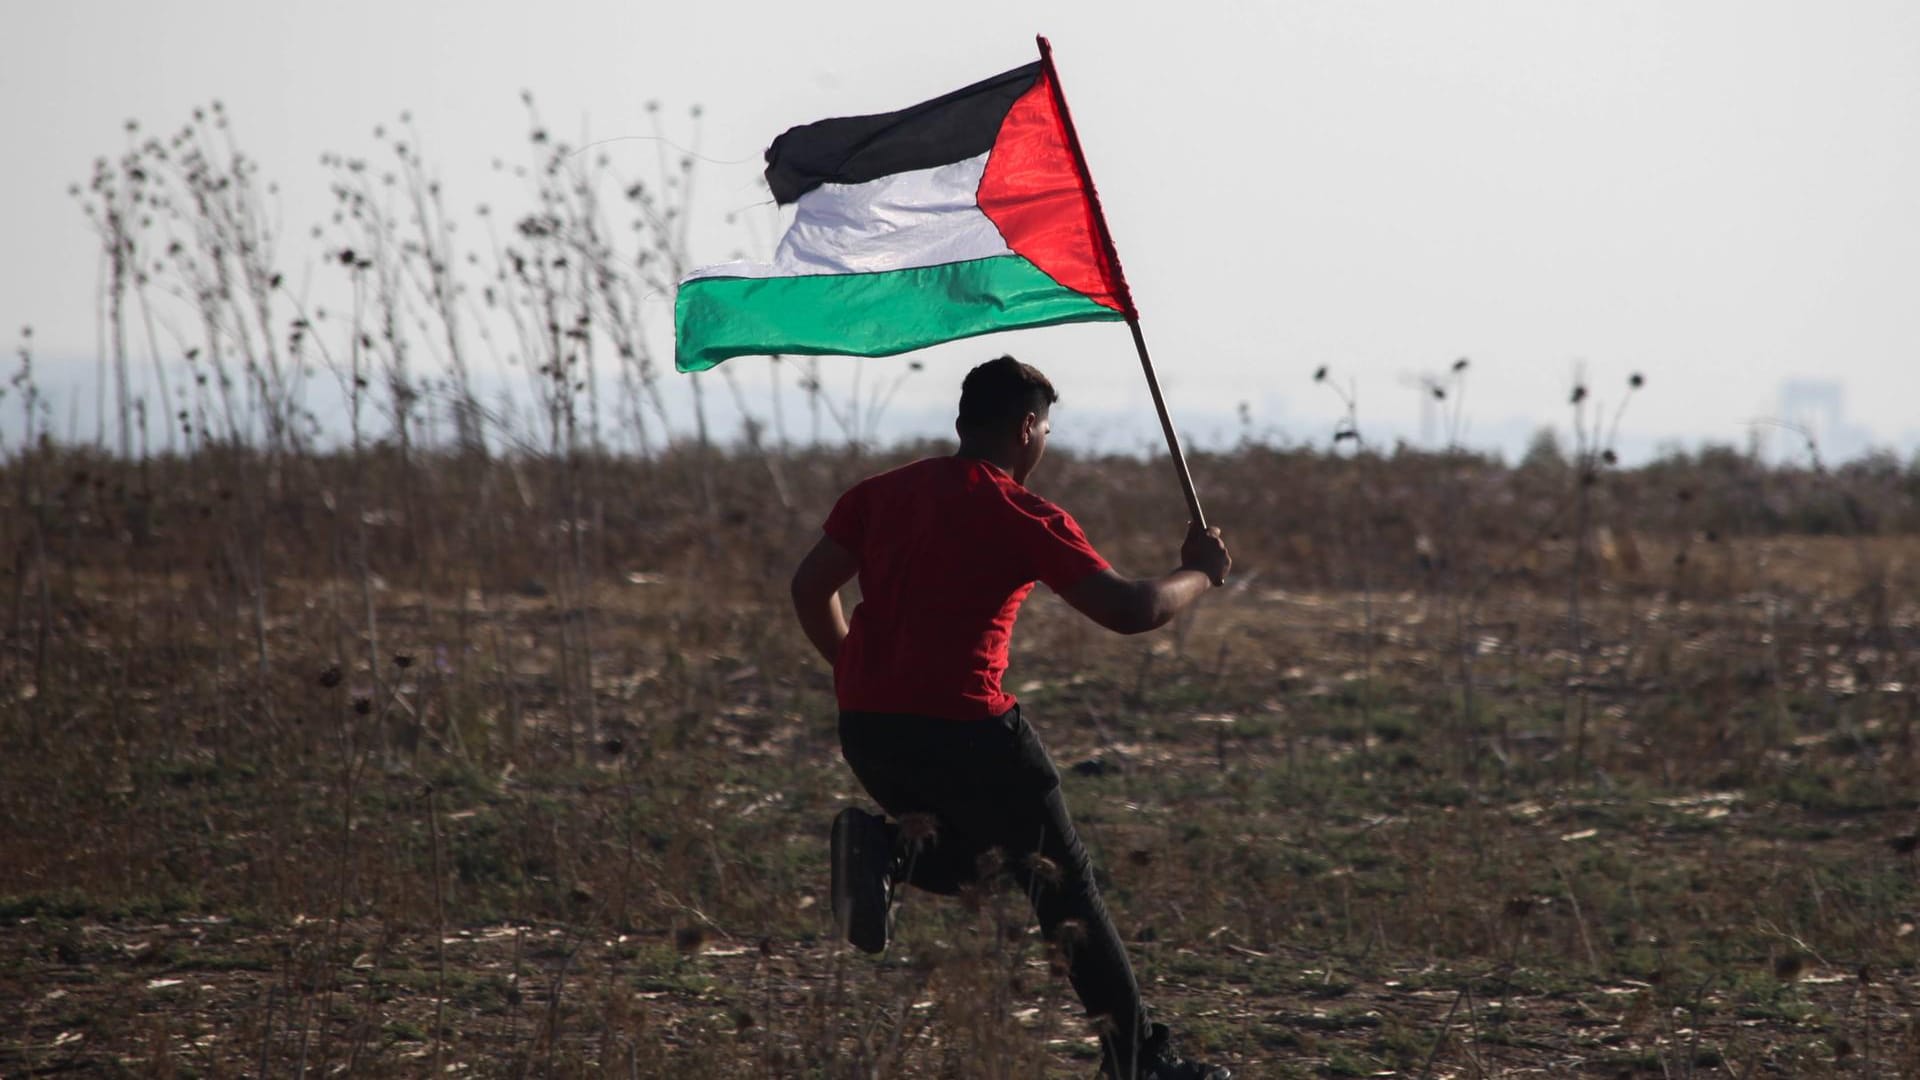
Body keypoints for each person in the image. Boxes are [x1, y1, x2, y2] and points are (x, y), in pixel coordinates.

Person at [789, 355, 1233, 1080]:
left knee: (999, 864)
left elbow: (811, 587)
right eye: (1046, 428)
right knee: (1065, 882)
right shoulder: (1018, 512)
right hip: (968, 729)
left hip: (867, 728)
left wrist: (850, 669)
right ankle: (1140, 1062)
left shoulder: (880, 494)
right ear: (1028, 428)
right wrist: (1201, 574)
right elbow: (1129, 610)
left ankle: (885, 848)